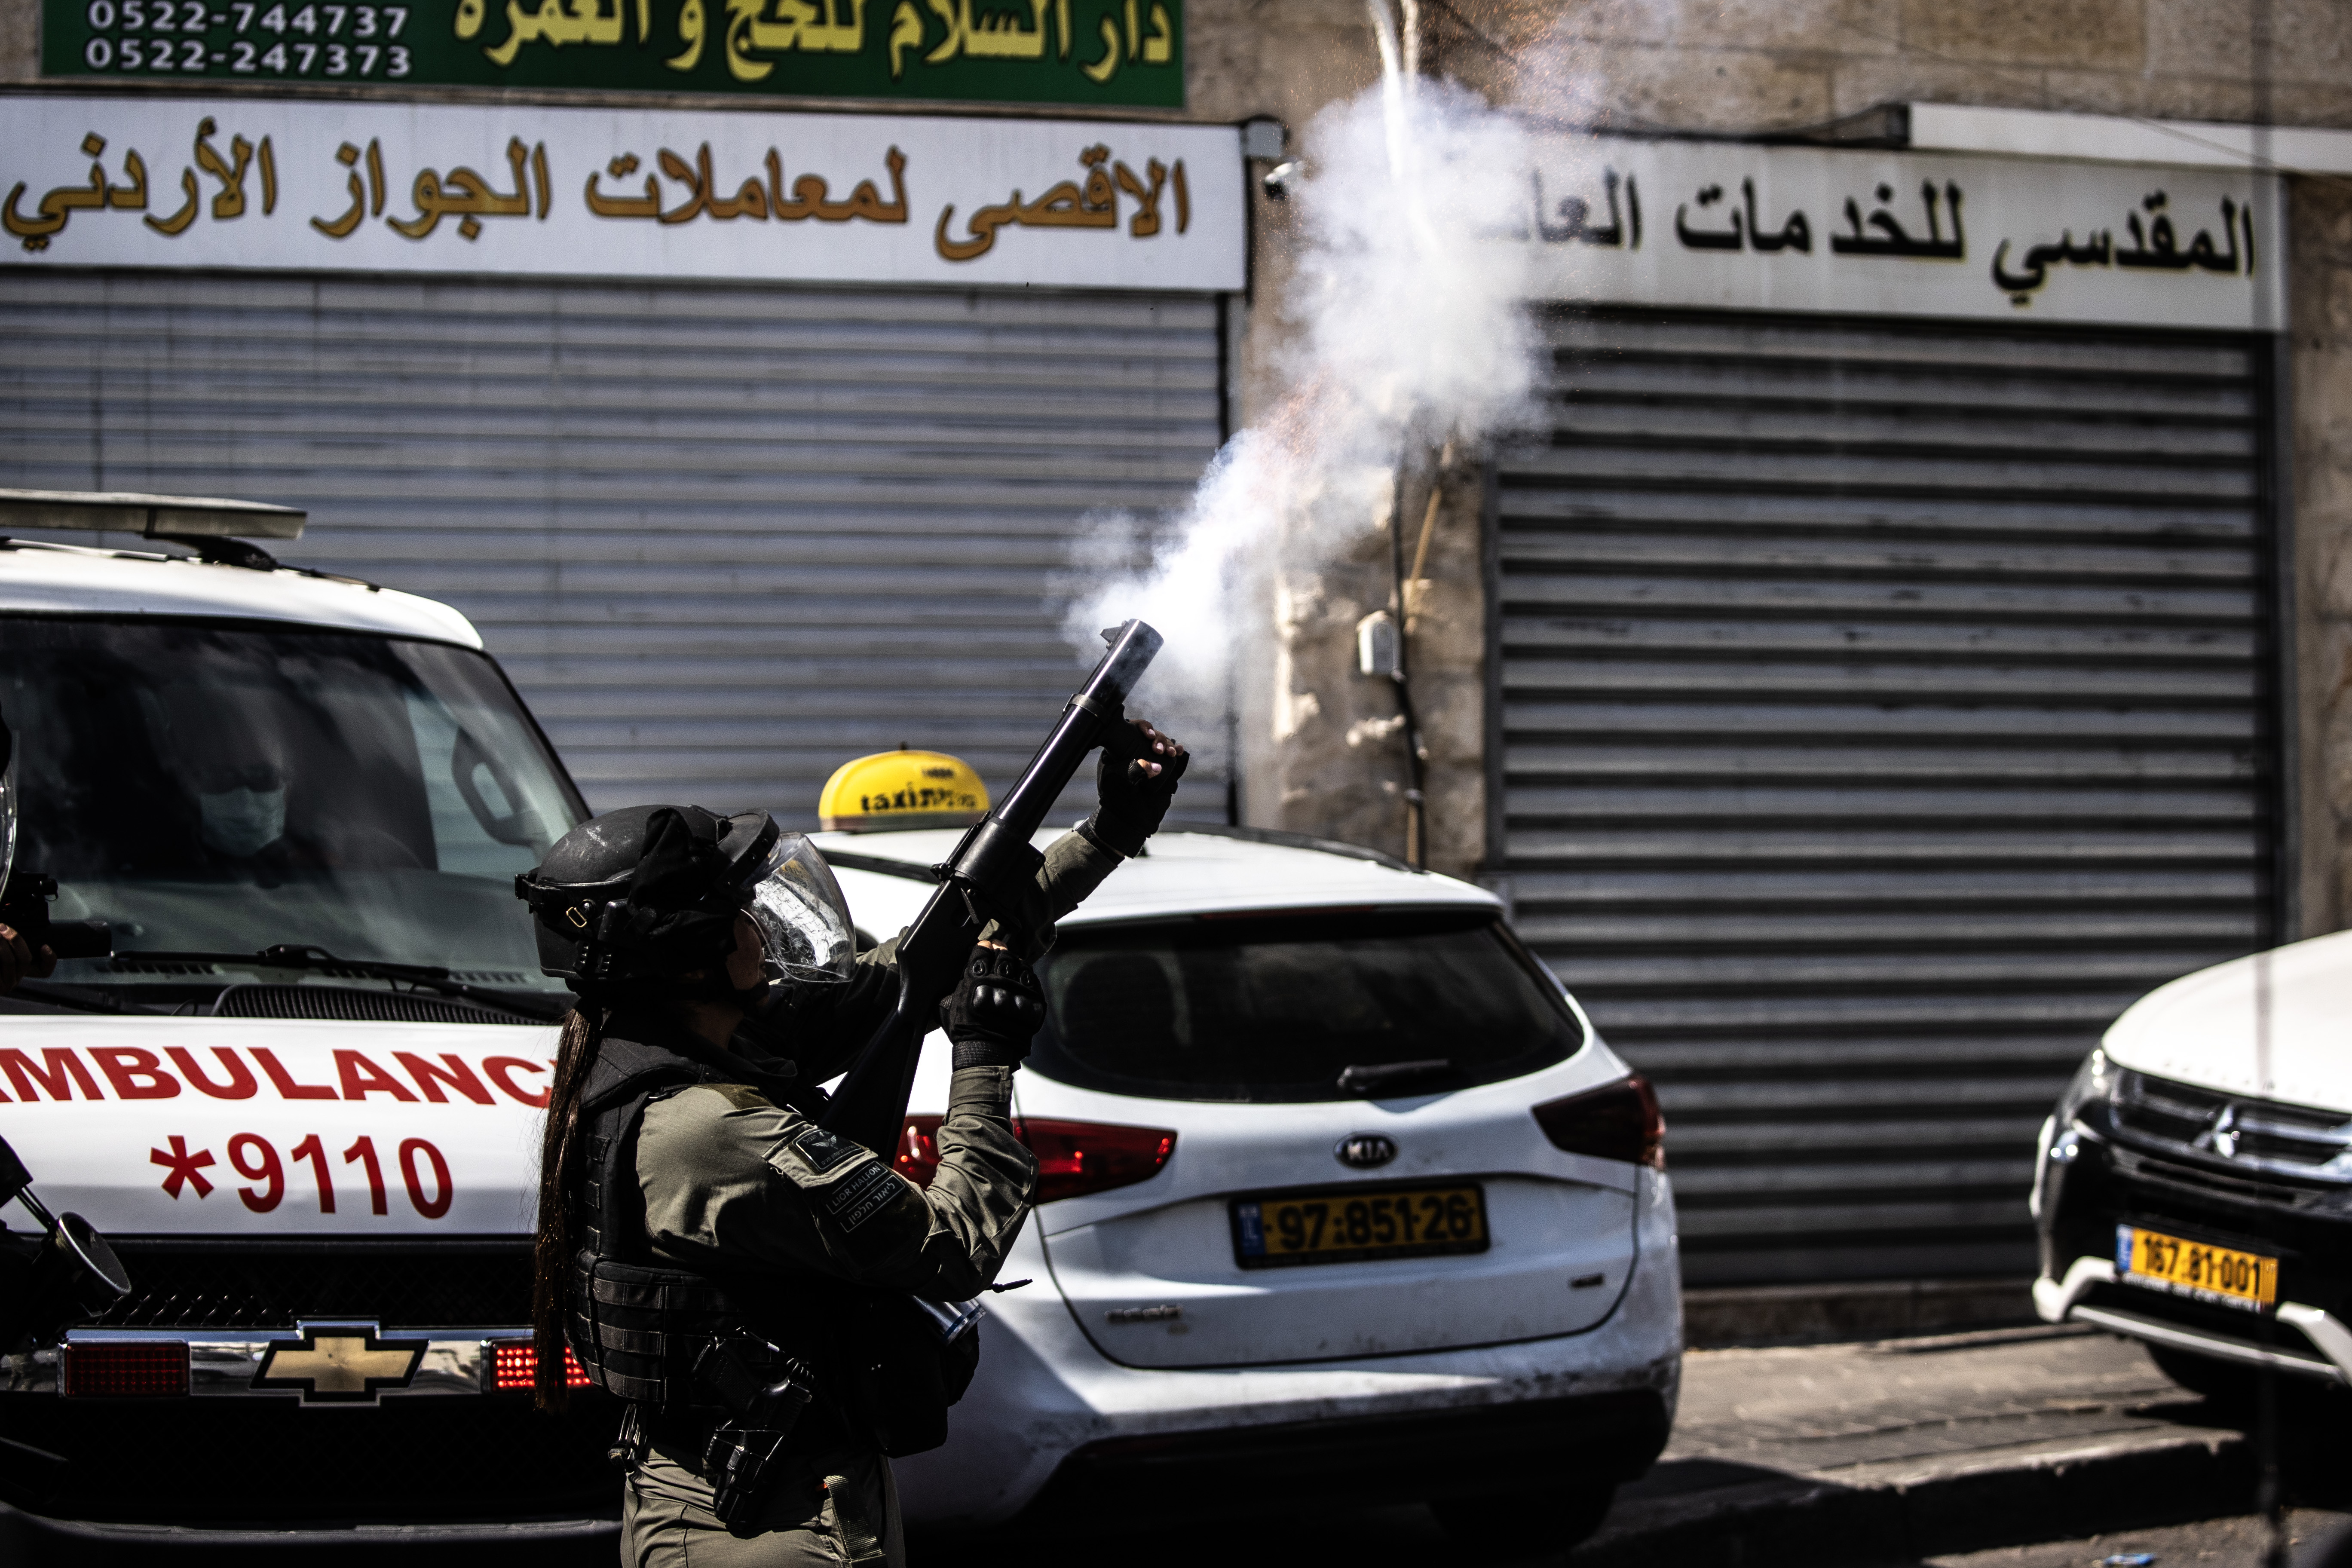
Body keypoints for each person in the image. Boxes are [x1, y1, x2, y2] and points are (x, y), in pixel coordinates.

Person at [520, 722, 1185, 1568]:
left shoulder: (663, 1041)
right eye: (738, 912)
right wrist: (983, 1056)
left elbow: (928, 960)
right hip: (769, 1522)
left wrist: (1106, 835)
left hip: (756, 1485)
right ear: (689, 954)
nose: (762, 926)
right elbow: (952, 1245)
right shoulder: (706, 1127)